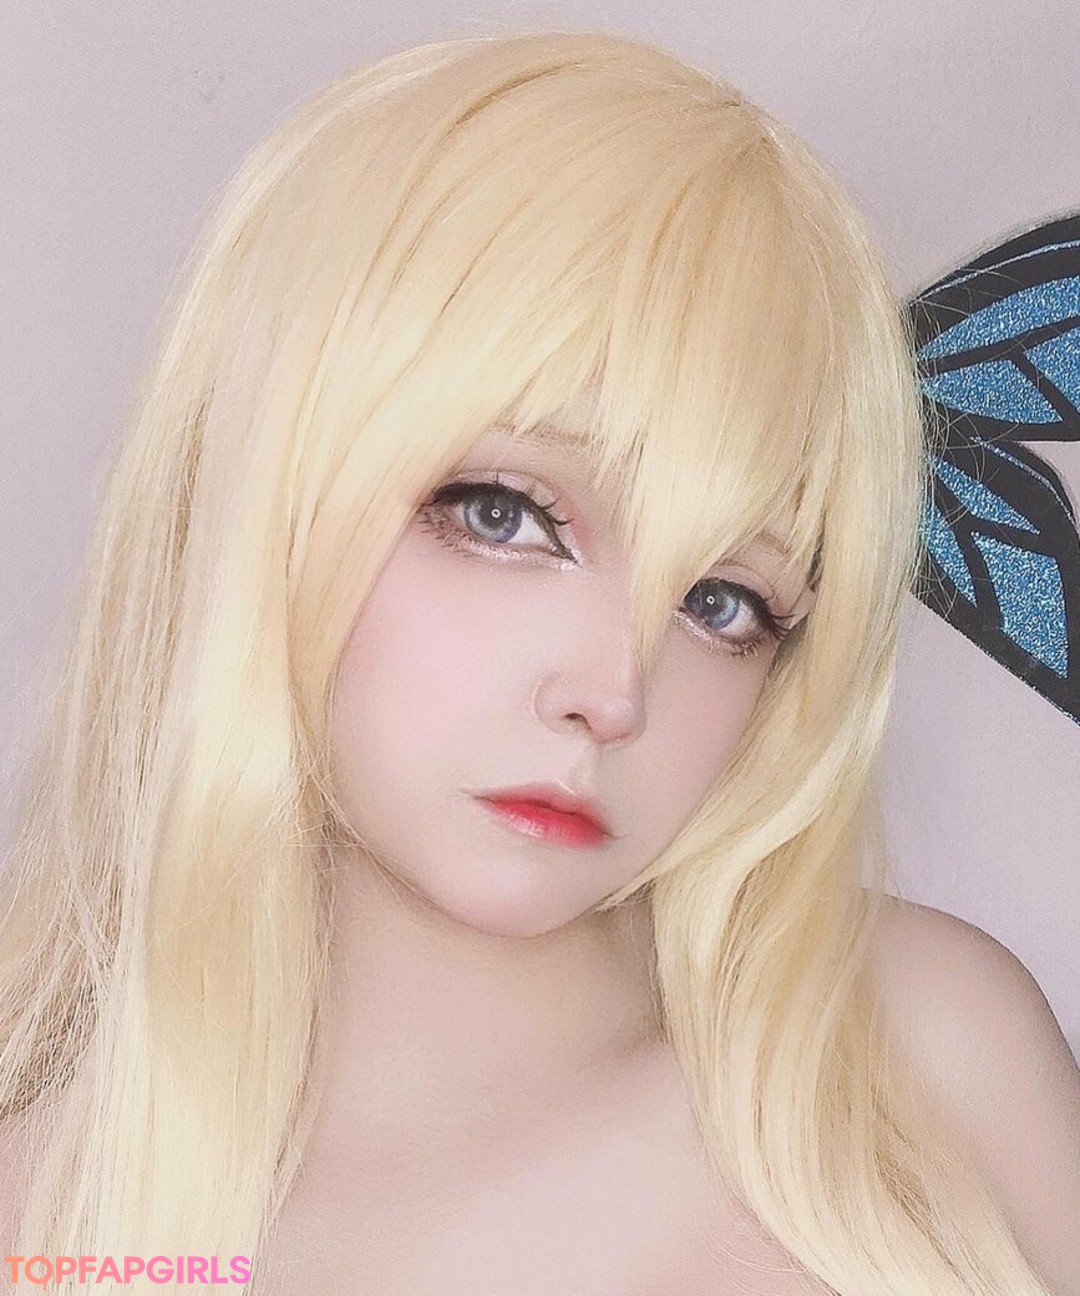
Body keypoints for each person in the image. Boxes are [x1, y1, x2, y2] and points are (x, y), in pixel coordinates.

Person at [1, 29, 1077, 1296]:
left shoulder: (916, 1055)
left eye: (724, 602)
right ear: (265, 476)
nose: (613, 695)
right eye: (502, 514)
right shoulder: (58, 1225)